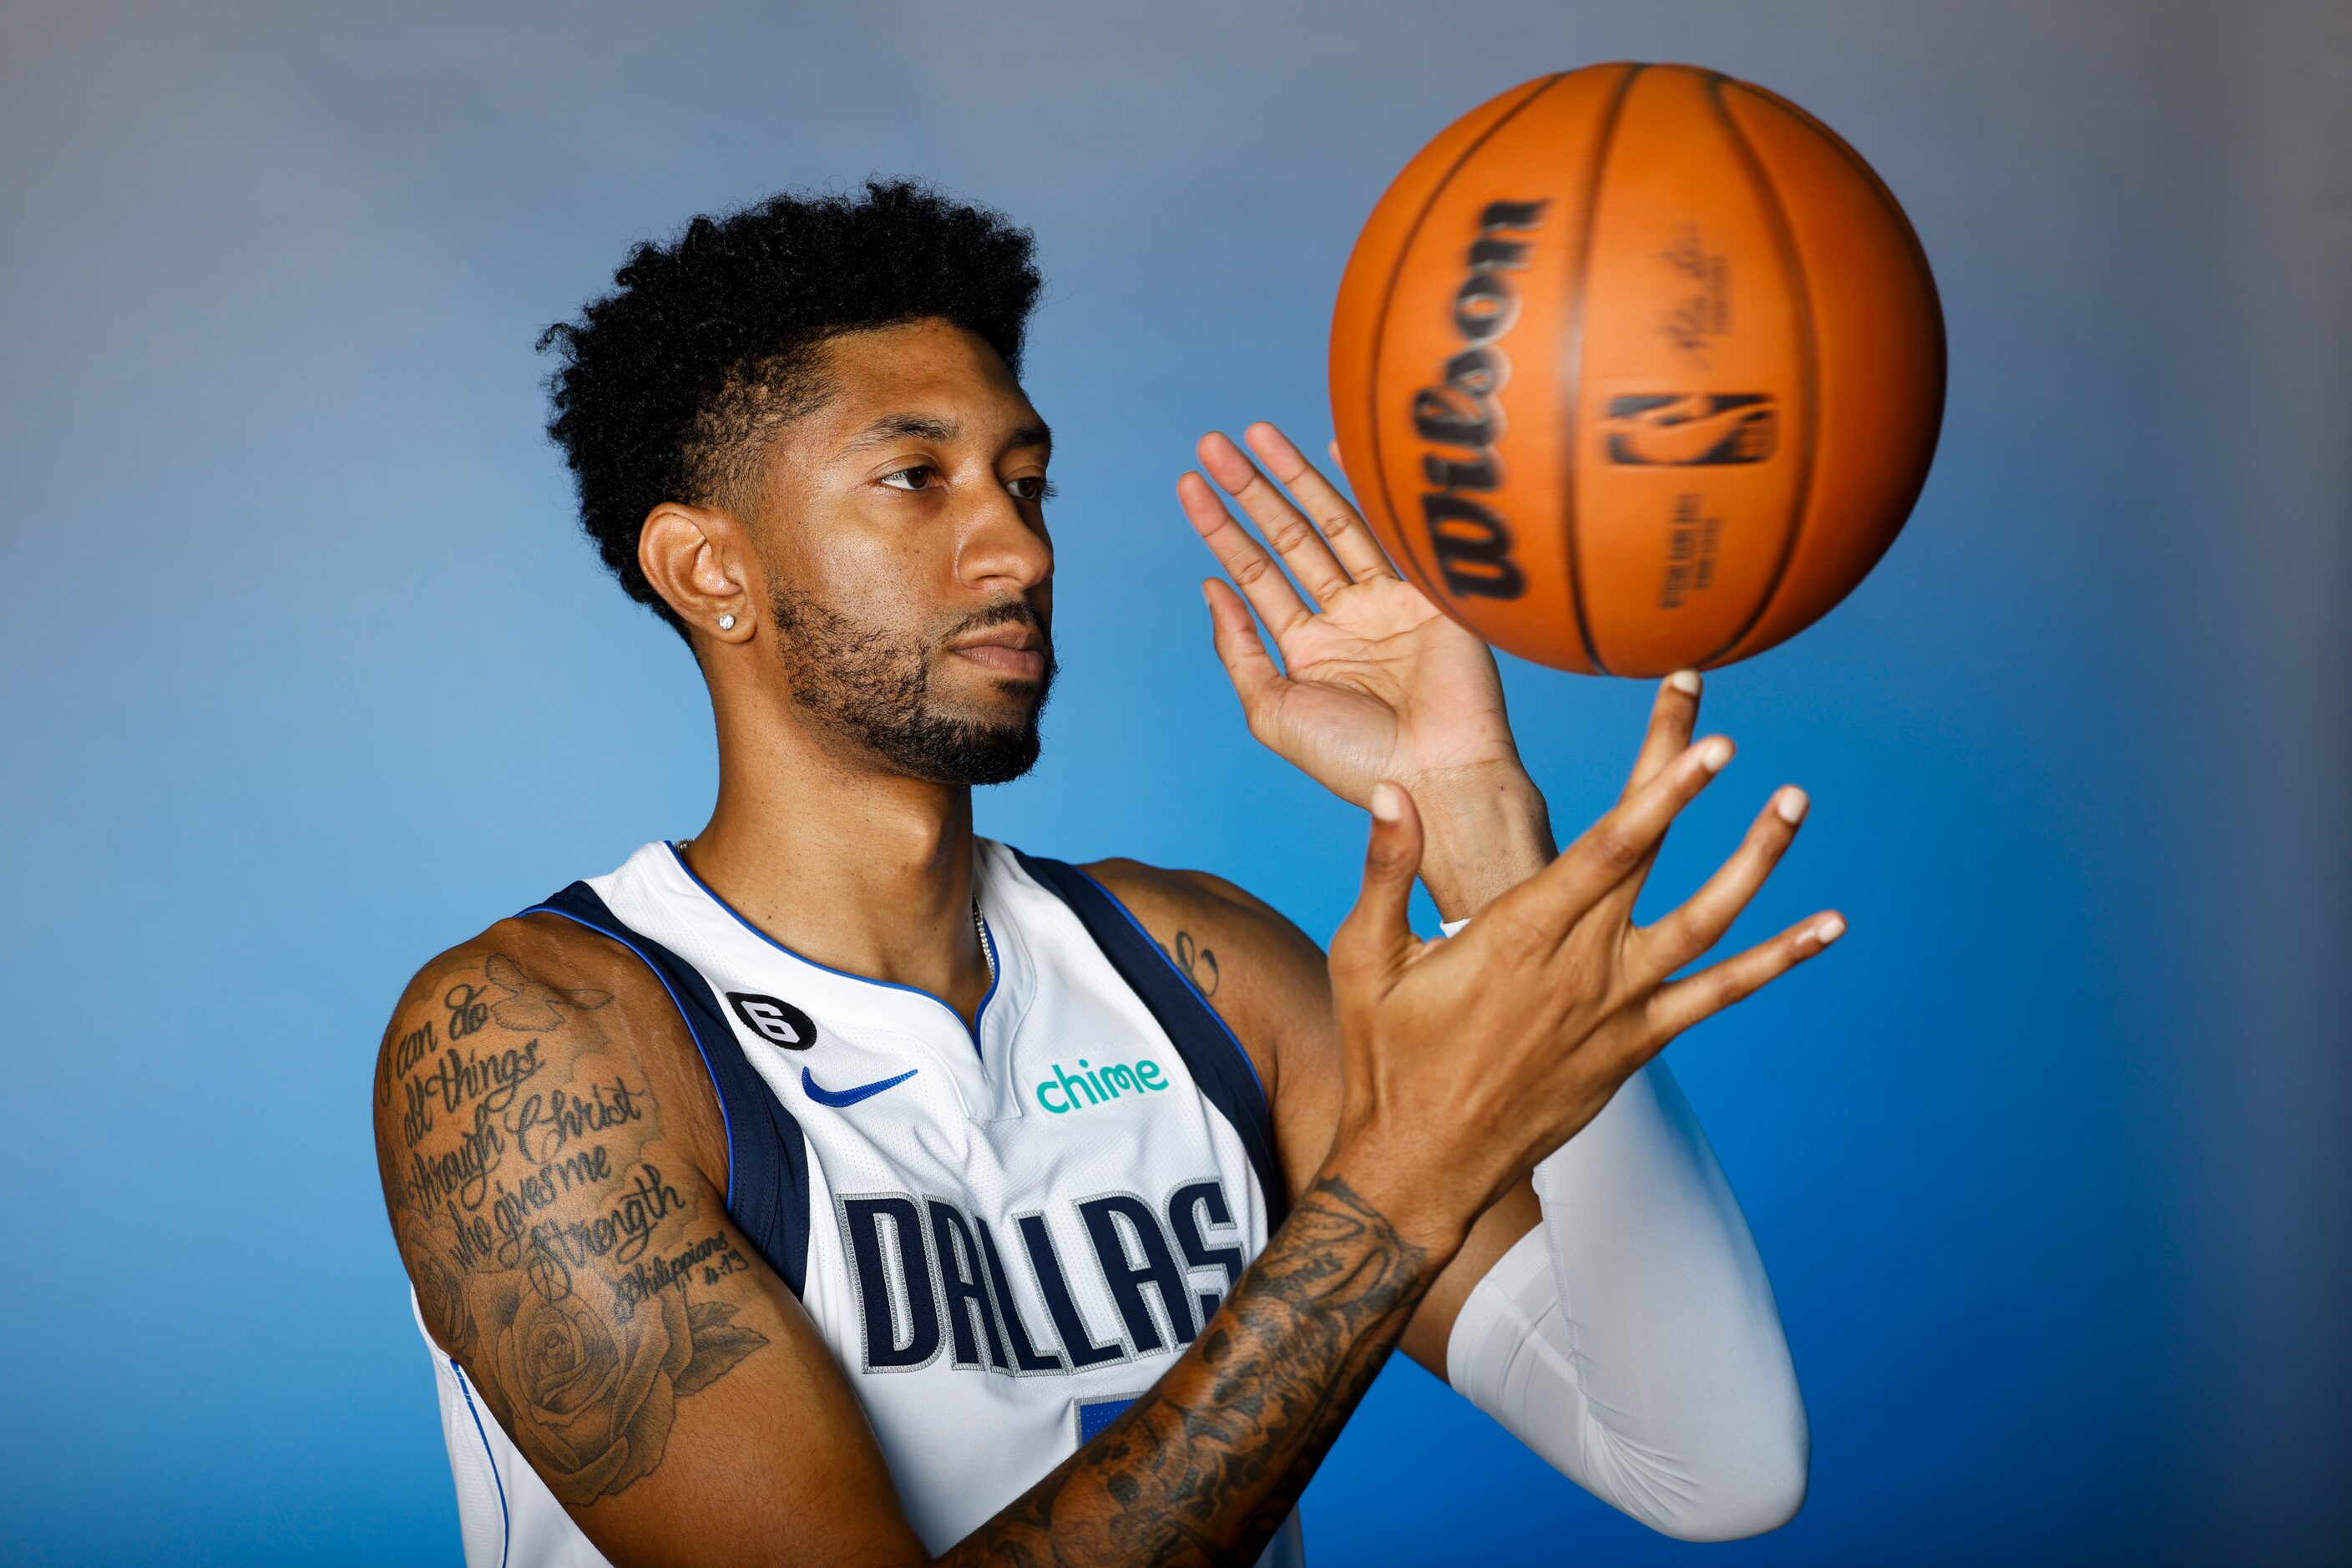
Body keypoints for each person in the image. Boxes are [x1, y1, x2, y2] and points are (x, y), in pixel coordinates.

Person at [372, 180, 1836, 1568]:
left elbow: (1712, 1468)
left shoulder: (1196, 973)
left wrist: (1470, 823)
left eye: (1025, 479)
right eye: (914, 478)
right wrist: (1396, 1184)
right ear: (711, 571)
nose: (1014, 543)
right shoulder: (535, 1041)